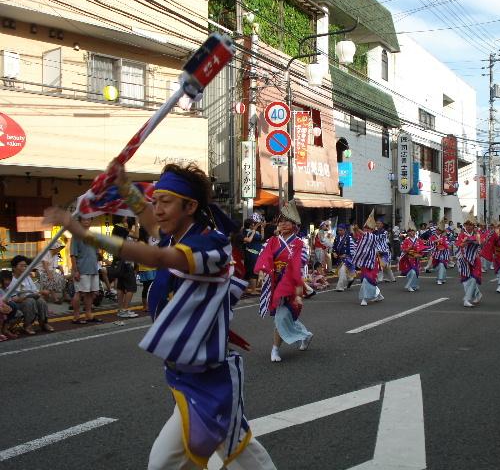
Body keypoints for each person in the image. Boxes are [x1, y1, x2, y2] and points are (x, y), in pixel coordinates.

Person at [44, 161, 276, 469]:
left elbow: (156, 256)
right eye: (156, 202)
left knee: (228, 452)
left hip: (210, 378)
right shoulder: (174, 237)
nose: (158, 210)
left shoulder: (209, 244)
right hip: (186, 375)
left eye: (165, 202)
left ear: (190, 206)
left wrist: (84, 234)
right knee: (191, 456)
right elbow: (149, 221)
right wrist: (124, 184)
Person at [255, 200, 313, 363]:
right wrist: (263, 271)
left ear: (294, 225)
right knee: (284, 317)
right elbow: (263, 257)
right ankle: (305, 335)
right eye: (281, 221)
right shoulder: (271, 241)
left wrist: (288, 278)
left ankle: (275, 349)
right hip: (274, 283)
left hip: (292, 285)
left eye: (287, 221)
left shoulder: (300, 244)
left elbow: (301, 261)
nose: (283, 224)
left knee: (283, 316)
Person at [70, 217, 103, 325]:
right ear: (79, 222)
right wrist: (75, 271)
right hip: (81, 269)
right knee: (79, 292)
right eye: (84, 220)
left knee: (90, 293)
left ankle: (88, 315)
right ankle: (76, 317)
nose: (86, 221)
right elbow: (73, 255)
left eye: (88, 220)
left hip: (93, 268)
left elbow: (97, 253)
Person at [9, 255, 54, 334]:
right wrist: (24, 298)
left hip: (30, 298)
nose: (24, 268)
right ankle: (27, 325)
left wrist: (40, 293)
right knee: (30, 301)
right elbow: (12, 298)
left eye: (25, 266)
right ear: (14, 267)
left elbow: (35, 291)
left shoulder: (27, 277)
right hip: (18, 302)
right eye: (21, 266)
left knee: (41, 301)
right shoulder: (11, 280)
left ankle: (44, 323)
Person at [353, 210, 385, 306]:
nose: (367, 230)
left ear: (372, 230)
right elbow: (356, 237)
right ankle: (378, 295)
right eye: (365, 228)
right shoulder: (362, 237)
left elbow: (365, 235)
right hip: (364, 262)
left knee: (367, 279)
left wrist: (358, 229)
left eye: (369, 228)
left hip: (372, 262)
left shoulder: (373, 237)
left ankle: (364, 299)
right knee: (367, 280)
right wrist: (355, 230)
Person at [111, 217, 139, 319]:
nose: (126, 219)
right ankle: (125, 310)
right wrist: (137, 223)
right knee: (131, 287)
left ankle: (120, 309)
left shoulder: (116, 229)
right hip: (126, 263)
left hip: (119, 262)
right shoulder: (121, 229)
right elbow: (137, 236)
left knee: (121, 288)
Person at [455, 212, 483, 307]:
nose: (469, 226)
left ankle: (467, 299)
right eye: (467, 224)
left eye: (471, 225)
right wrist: (464, 243)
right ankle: (476, 295)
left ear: (473, 226)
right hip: (463, 259)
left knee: (474, 279)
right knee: (466, 279)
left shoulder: (477, 234)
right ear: (465, 225)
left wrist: (471, 240)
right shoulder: (461, 235)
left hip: (475, 259)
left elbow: (480, 243)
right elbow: (459, 244)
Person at [398, 221, 426, 292]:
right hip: (408, 259)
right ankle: (409, 286)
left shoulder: (418, 240)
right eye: (410, 231)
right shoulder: (406, 241)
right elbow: (403, 249)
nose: (412, 233)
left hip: (416, 259)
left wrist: (420, 254)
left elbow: (422, 248)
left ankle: (414, 285)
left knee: (416, 272)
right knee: (411, 272)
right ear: (408, 233)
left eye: (413, 231)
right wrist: (408, 248)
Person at [137, 226, 158, 312]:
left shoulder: (146, 242)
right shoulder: (141, 243)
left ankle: (148, 305)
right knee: (147, 287)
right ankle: (145, 306)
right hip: (146, 268)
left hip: (151, 268)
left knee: (150, 287)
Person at [242, 216, 265, 296]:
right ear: (250, 225)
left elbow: (261, 238)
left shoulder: (254, 231)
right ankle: (253, 289)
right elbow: (249, 239)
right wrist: (255, 229)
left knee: (254, 270)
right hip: (251, 253)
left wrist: (262, 228)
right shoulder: (247, 232)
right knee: (252, 270)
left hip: (256, 253)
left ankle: (250, 288)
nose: (254, 224)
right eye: (253, 224)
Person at [332, 223, 356, 292]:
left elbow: (353, 248)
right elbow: (334, 247)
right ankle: (350, 278)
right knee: (340, 272)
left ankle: (340, 287)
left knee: (342, 271)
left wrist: (346, 255)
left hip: (347, 258)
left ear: (345, 230)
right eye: (338, 230)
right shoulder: (337, 238)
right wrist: (334, 253)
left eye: (341, 230)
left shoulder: (349, 238)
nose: (339, 232)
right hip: (339, 258)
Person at [374, 218, 396, 283]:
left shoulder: (385, 232)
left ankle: (385, 278)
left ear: (382, 225)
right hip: (377, 251)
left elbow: (378, 237)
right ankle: (390, 278)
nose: (378, 224)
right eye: (377, 223)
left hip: (385, 252)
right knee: (381, 265)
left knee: (384, 265)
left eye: (379, 223)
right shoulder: (375, 232)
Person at [429, 220, 450, 285]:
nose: (438, 231)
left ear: (441, 231)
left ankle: (440, 279)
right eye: (437, 230)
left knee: (442, 265)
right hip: (435, 254)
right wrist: (436, 241)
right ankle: (442, 278)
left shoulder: (444, 237)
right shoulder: (432, 236)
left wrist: (443, 243)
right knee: (439, 266)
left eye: (439, 230)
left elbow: (447, 245)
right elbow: (429, 244)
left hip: (443, 254)